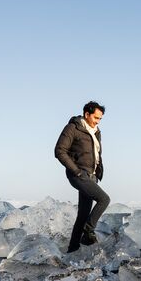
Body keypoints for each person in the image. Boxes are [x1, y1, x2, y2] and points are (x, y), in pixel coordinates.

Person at [54, 101, 111, 253]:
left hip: (91, 176)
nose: (98, 121)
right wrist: (76, 171)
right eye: (96, 118)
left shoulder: (96, 131)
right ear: (87, 114)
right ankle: (88, 231)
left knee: (83, 215)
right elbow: (60, 151)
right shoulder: (73, 128)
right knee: (104, 199)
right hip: (79, 174)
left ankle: (72, 250)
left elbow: (96, 154)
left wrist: (97, 172)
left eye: (100, 119)